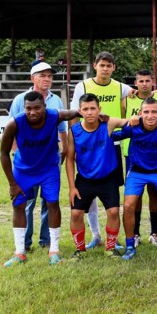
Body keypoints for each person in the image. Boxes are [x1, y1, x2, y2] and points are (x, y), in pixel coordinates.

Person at [0, 91, 81, 267]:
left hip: (48, 168)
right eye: (28, 108)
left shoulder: (54, 115)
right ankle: (20, 252)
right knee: (19, 205)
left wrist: (95, 114)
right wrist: (12, 183)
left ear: (45, 106)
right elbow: (3, 154)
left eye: (37, 108)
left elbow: (74, 112)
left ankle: (54, 249)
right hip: (23, 169)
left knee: (52, 204)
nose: (33, 112)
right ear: (24, 108)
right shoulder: (15, 123)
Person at [70, 51, 133, 250]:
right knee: (87, 198)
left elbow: (136, 97)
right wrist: (76, 135)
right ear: (95, 65)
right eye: (101, 65)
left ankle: (111, 241)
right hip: (87, 141)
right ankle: (95, 235)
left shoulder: (121, 87)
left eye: (109, 65)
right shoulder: (83, 86)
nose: (105, 68)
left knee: (110, 200)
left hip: (110, 142)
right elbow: (74, 114)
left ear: (114, 67)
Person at [112, 97, 157, 260]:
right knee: (129, 205)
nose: (150, 115)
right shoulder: (133, 126)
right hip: (137, 172)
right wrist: (112, 123)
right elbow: (113, 136)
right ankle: (130, 245)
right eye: (146, 112)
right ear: (140, 113)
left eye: (154, 112)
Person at [8, 62, 67, 252]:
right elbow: (13, 125)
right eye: (42, 75)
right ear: (33, 78)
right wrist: (17, 152)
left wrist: (64, 148)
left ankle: (47, 241)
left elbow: (62, 127)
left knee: (49, 201)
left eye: (50, 76)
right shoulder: (20, 99)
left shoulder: (56, 100)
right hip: (27, 161)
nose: (47, 79)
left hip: (50, 158)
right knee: (27, 201)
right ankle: (24, 243)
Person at [66, 94, 129, 261]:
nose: (89, 112)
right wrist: (72, 187)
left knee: (114, 211)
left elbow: (127, 121)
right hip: (85, 179)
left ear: (99, 109)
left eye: (93, 108)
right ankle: (80, 250)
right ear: (80, 111)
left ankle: (110, 248)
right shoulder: (74, 130)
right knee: (76, 214)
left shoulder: (108, 124)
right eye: (85, 109)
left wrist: (137, 118)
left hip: (107, 177)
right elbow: (70, 159)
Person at [121, 69, 157, 248]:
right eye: (141, 81)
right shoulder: (127, 100)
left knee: (154, 193)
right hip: (132, 153)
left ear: (152, 82)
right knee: (136, 195)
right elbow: (123, 121)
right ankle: (136, 233)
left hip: (156, 153)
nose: (144, 84)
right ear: (136, 82)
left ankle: (155, 233)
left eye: (148, 81)